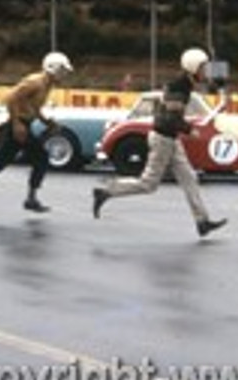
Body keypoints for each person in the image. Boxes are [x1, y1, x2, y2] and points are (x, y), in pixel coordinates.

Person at [92, 48, 228, 238]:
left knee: (189, 178)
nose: (207, 71)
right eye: (204, 67)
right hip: (163, 139)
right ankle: (106, 191)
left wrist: (222, 82)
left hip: (171, 138)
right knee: (148, 184)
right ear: (193, 68)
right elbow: (172, 119)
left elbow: (214, 82)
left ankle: (202, 222)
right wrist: (191, 130)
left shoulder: (186, 84)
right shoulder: (178, 87)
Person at [0, 52, 74, 219]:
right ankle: (29, 199)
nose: (65, 75)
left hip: (23, 125)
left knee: (1, 162)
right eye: (63, 71)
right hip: (18, 125)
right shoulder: (35, 82)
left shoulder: (47, 85)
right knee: (36, 158)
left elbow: (32, 107)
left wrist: (47, 122)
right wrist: (17, 124)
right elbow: (11, 99)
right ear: (54, 69)